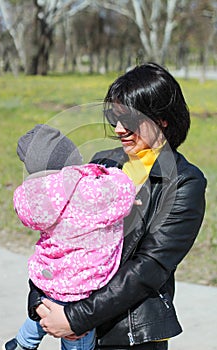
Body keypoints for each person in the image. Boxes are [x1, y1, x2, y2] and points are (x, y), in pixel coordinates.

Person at [36, 62, 207, 350]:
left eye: (128, 119)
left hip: (129, 334)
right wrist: (40, 304)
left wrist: (76, 318)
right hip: (73, 324)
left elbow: (149, 267)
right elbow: (59, 235)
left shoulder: (185, 182)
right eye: (114, 117)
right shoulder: (103, 162)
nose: (118, 129)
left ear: (163, 119)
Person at [3, 124, 136, 350]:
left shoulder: (35, 196)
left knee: (44, 311)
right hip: (82, 283)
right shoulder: (87, 190)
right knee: (77, 335)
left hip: (50, 277)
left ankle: (22, 343)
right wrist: (102, 172)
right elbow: (122, 189)